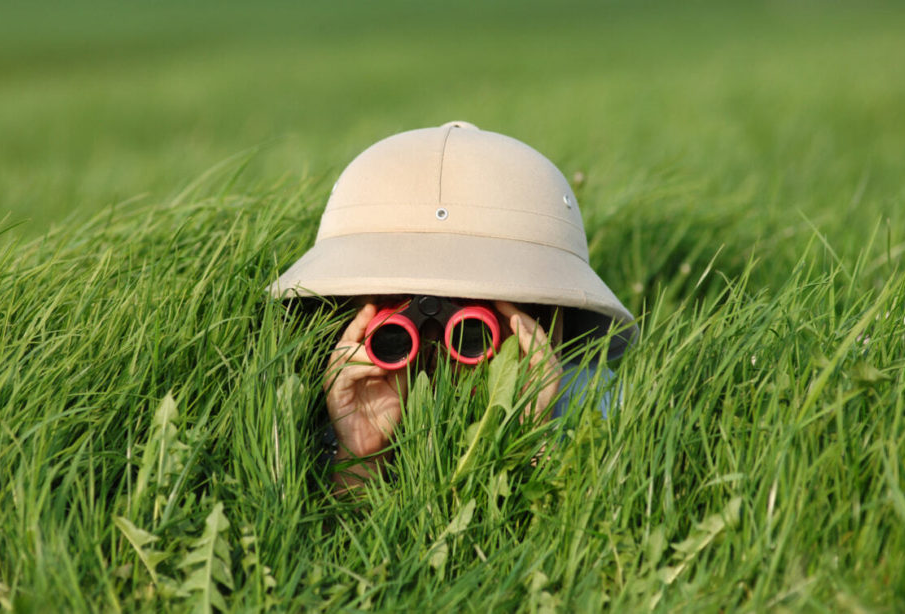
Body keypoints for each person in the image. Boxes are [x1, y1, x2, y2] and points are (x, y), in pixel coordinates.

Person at [269, 121, 636, 491]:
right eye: (397, 316)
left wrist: (527, 437)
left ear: (539, 316)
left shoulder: (598, 403)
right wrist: (360, 453)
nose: (437, 340)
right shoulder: (315, 407)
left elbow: (573, 543)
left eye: (472, 328)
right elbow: (329, 547)